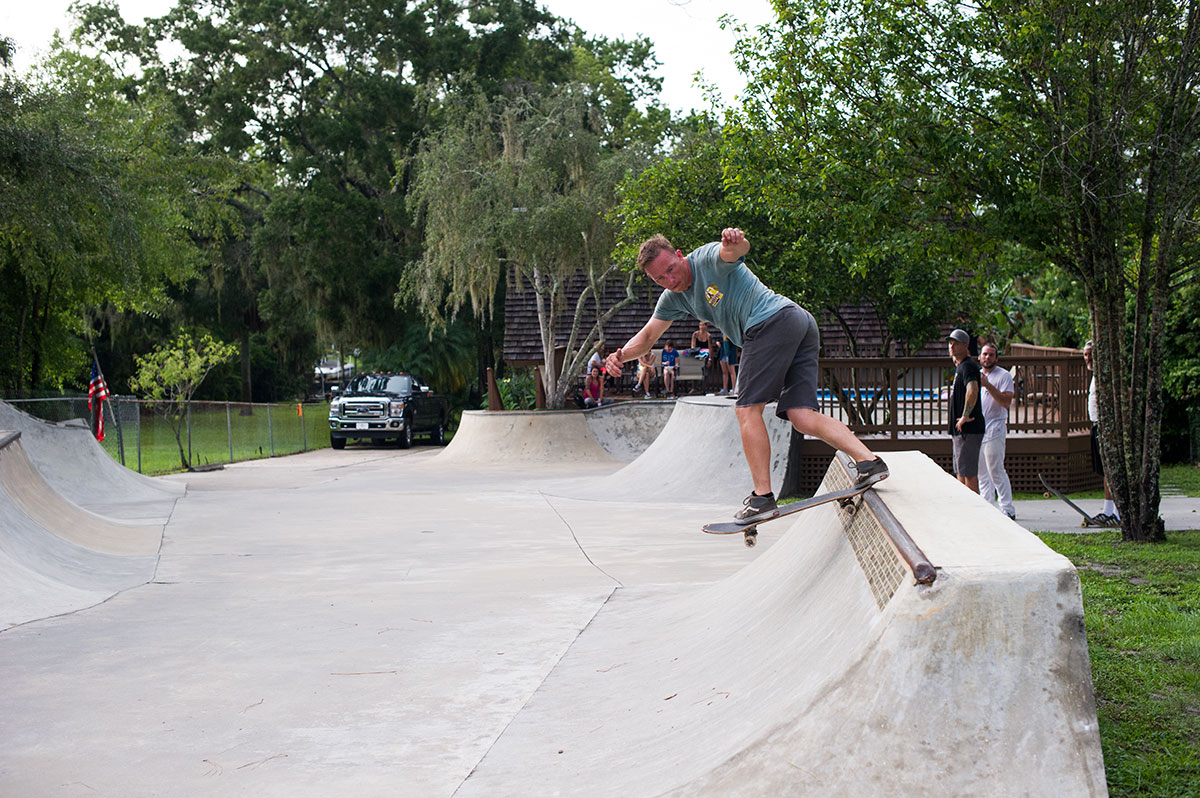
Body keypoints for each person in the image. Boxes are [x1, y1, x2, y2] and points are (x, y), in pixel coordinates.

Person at [605, 227, 888, 522]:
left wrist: (737, 243)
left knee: (746, 411)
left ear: (679, 256)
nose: (671, 280)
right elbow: (648, 335)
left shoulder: (705, 259)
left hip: (770, 323)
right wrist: (620, 355)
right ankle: (869, 462)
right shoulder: (672, 299)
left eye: (671, 270)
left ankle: (762, 497)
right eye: (660, 279)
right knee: (801, 417)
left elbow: (733, 252)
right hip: (798, 322)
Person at [978, 343, 1016, 519]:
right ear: (979, 357)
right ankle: (986, 506)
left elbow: (1006, 402)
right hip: (978, 427)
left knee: (995, 469)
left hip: (995, 426)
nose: (987, 357)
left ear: (996, 358)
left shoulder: (1004, 376)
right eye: (985, 354)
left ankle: (1007, 508)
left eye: (991, 355)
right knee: (982, 473)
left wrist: (987, 385)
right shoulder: (974, 376)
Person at [1084, 340, 1120, 526]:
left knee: (1110, 469)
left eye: (1092, 354)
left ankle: (1116, 512)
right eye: (1086, 355)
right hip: (1096, 424)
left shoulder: (1106, 377)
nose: (1088, 358)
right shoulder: (1095, 375)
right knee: (1104, 470)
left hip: (1106, 427)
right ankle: (1108, 510)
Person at [947, 328, 985, 493]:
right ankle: (964, 511)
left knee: (968, 474)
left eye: (956, 344)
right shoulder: (961, 367)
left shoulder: (968, 366)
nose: (952, 347)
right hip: (961, 430)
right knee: (961, 472)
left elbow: (973, 390)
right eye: (950, 343)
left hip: (968, 428)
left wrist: (964, 416)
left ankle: (974, 514)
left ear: (966, 345)